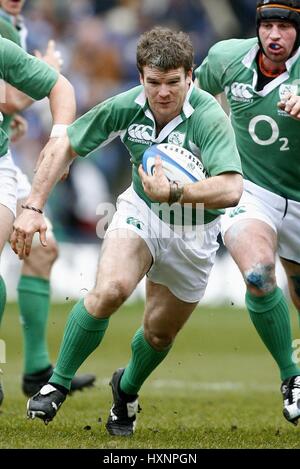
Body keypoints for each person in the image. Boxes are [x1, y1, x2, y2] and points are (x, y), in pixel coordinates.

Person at [11, 27, 243, 435]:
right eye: (154, 83)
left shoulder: (208, 116)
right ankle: (57, 382)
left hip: (195, 232)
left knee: (157, 334)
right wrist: (33, 206)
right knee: (111, 290)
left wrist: (175, 191)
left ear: (191, 76)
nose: (164, 92)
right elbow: (67, 144)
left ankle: (126, 390)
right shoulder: (127, 105)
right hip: (141, 212)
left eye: (174, 83)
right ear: (140, 78)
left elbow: (231, 188)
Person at [195, 0, 300, 426]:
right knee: (257, 275)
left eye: (285, 27)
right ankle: (292, 378)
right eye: (268, 25)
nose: (275, 35)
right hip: (252, 191)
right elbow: (193, 100)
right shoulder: (225, 57)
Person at [0, 11, 97, 408]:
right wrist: (46, 70)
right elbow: (10, 97)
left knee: (41, 248)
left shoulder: (8, 34)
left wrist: (57, 138)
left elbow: (50, 90)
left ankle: (36, 369)